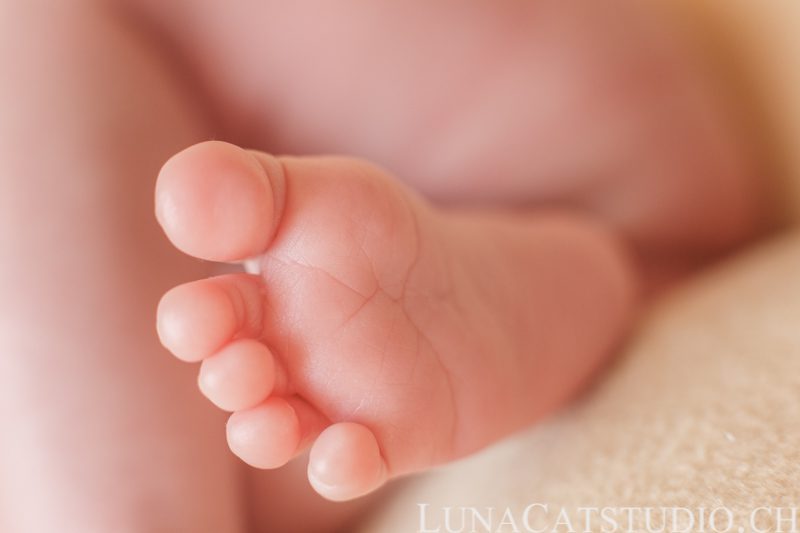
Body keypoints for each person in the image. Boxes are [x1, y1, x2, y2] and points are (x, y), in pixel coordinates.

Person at [0, 1, 761, 531]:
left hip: (514, 124)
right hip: (621, 205)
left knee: (33, 32)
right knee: (271, 401)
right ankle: (524, 289)